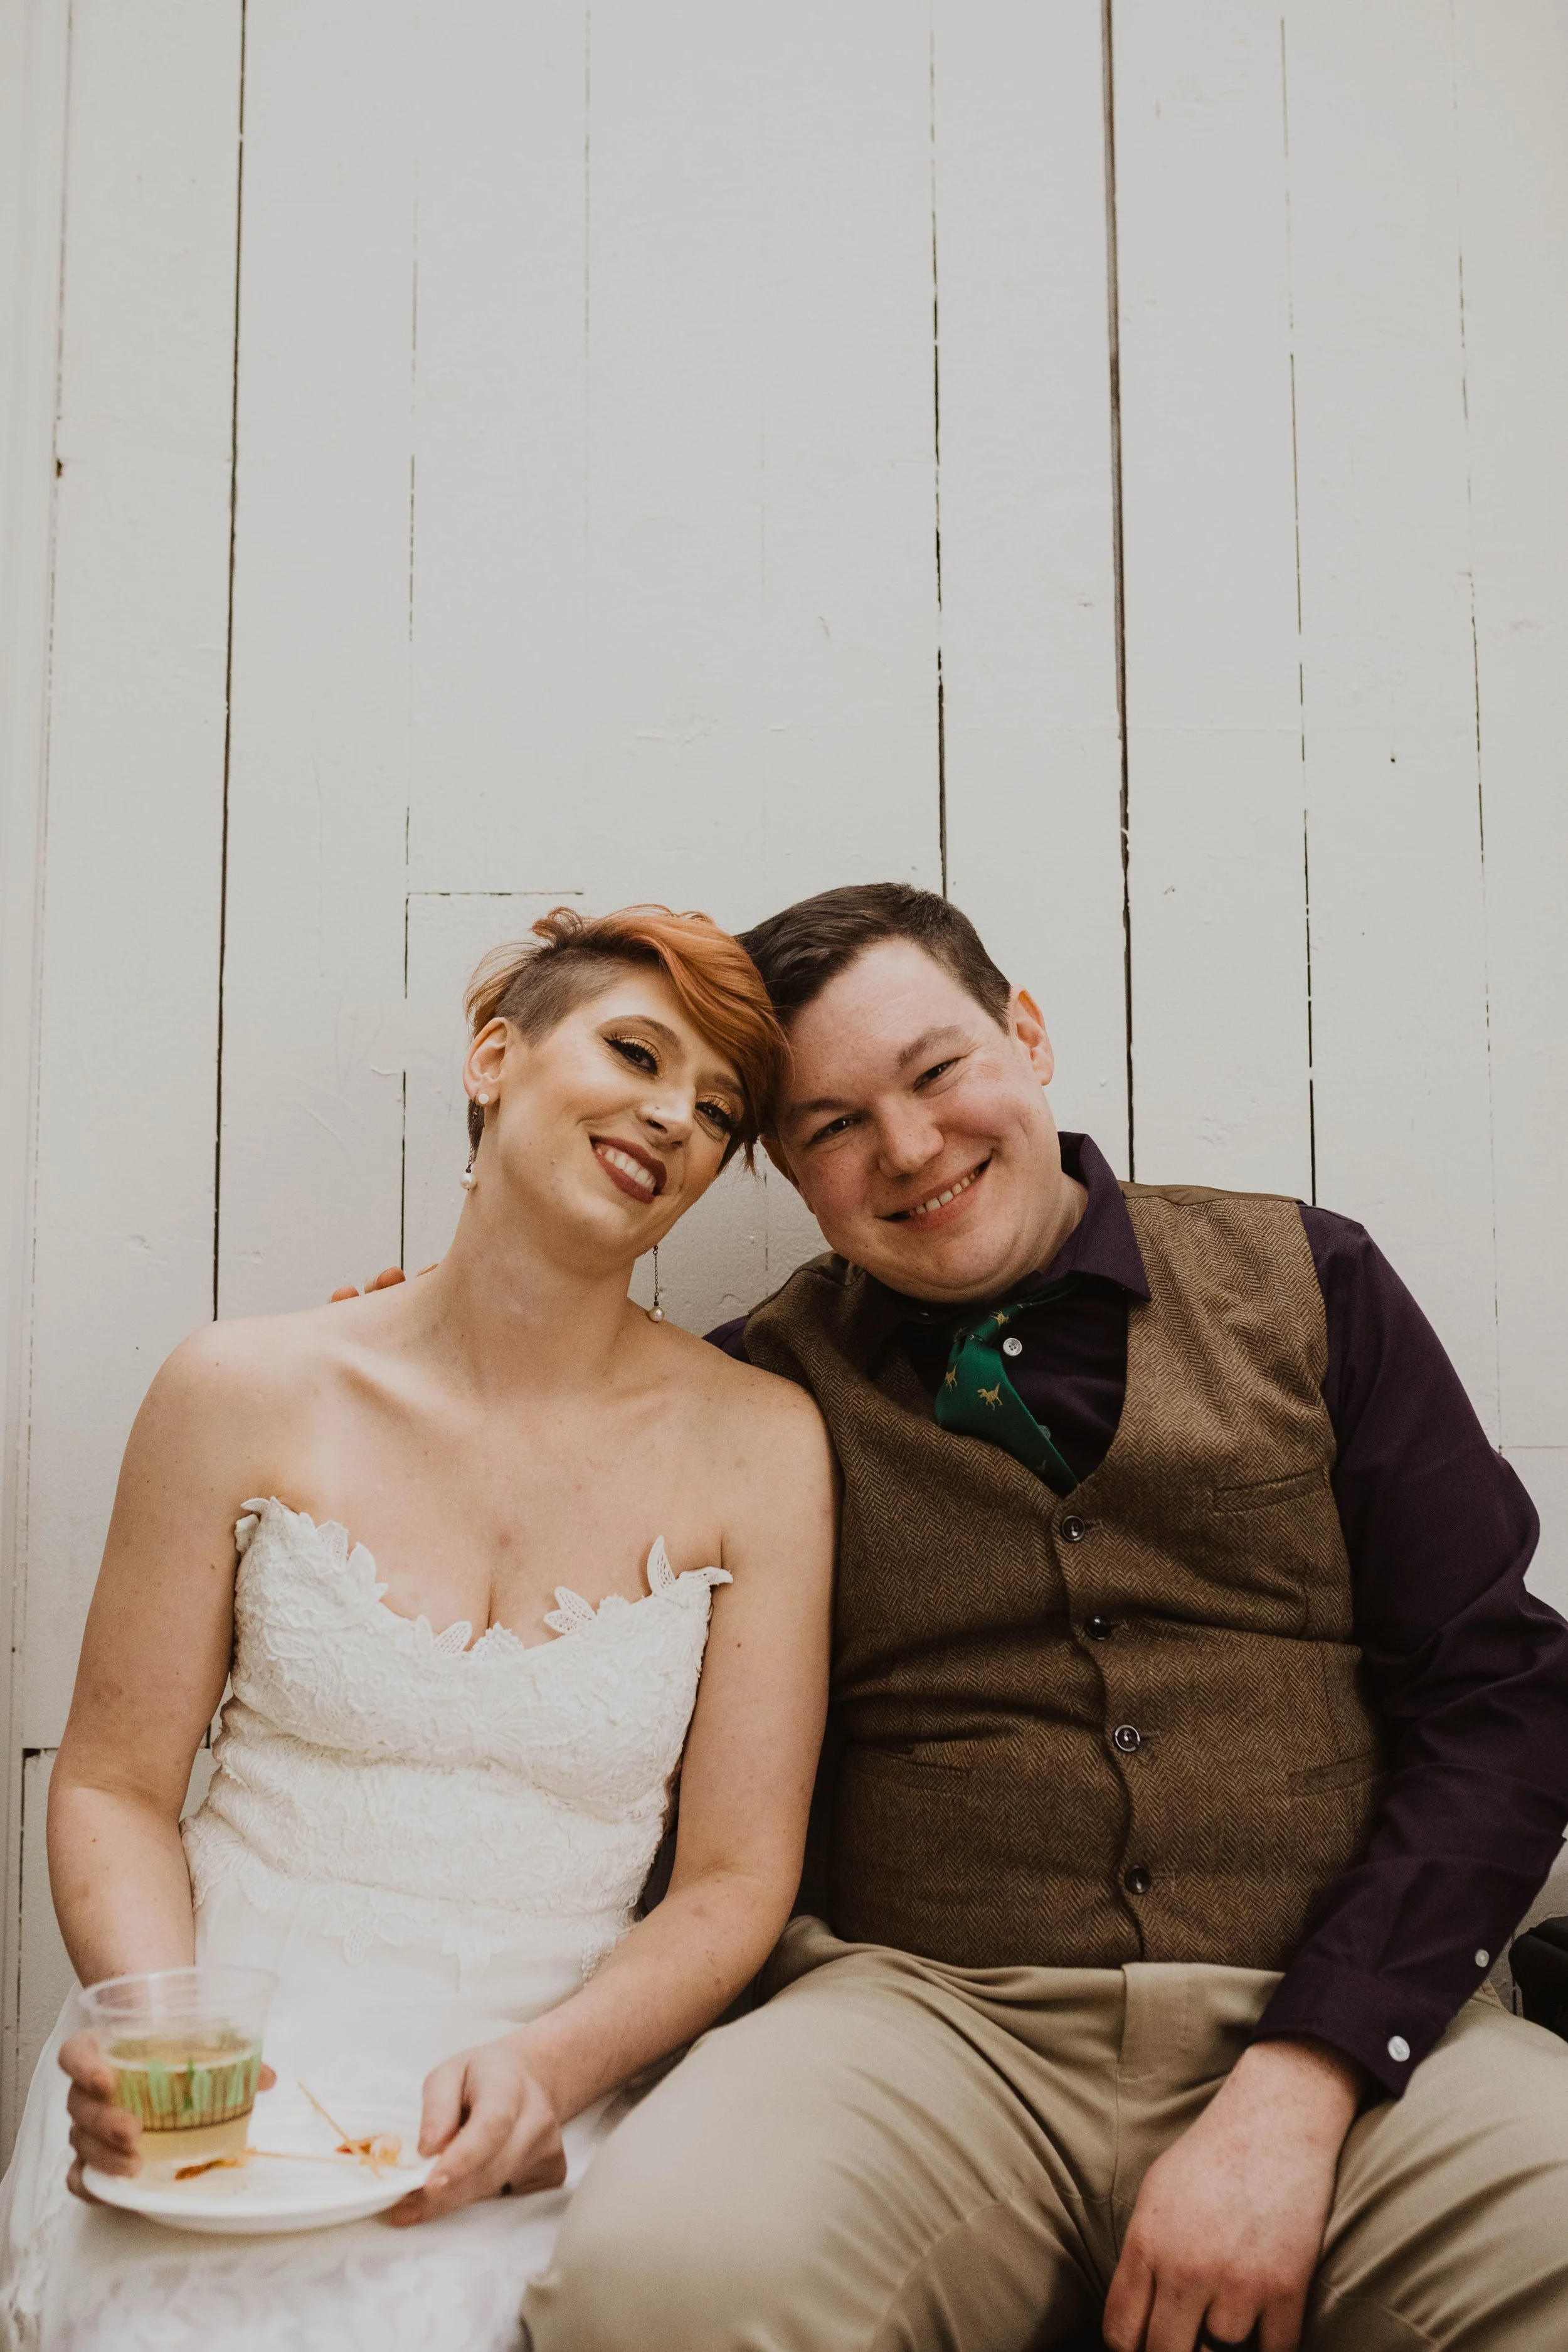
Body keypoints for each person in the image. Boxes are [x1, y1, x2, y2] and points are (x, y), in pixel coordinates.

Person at [521, 883, 1568, 2352]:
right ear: (783, 1170)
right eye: (828, 1125)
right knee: (664, 2284)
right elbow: (503, 1488)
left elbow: (1500, 1699)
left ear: (1024, 1033)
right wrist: (413, 1348)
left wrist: (1307, 2071)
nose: (906, 1148)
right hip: (923, 2029)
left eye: (937, 1071)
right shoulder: (743, 1395)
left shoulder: (1312, 1283)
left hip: (1359, 2023)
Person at [0, 906, 835, 2352]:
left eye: (714, 1113)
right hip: (235, 2030)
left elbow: (732, 1877)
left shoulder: (759, 1447)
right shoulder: (238, 1389)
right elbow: (115, 1783)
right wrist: (164, 2040)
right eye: (633, 1053)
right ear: (494, 1055)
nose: (670, 1119)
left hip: (559, 2066)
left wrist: (548, 2071)